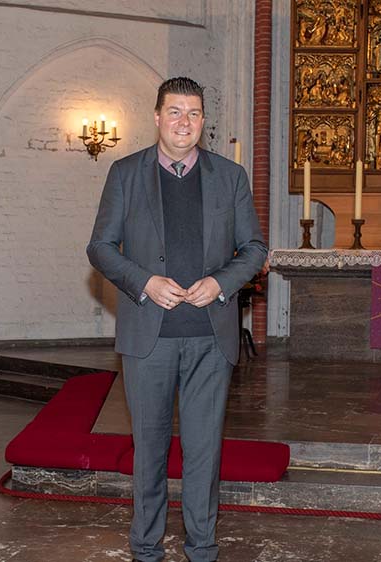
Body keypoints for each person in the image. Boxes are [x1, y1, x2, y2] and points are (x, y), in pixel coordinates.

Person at [87, 77, 267, 562]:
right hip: (150, 338)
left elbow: (254, 248)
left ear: (203, 121)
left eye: (192, 114)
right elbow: (100, 247)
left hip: (210, 337)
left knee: (204, 454)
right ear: (156, 117)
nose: (183, 122)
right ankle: (146, 548)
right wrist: (144, 282)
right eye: (174, 112)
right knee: (149, 451)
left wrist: (221, 282)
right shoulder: (126, 174)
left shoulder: (230, 177)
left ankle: (202, 547)